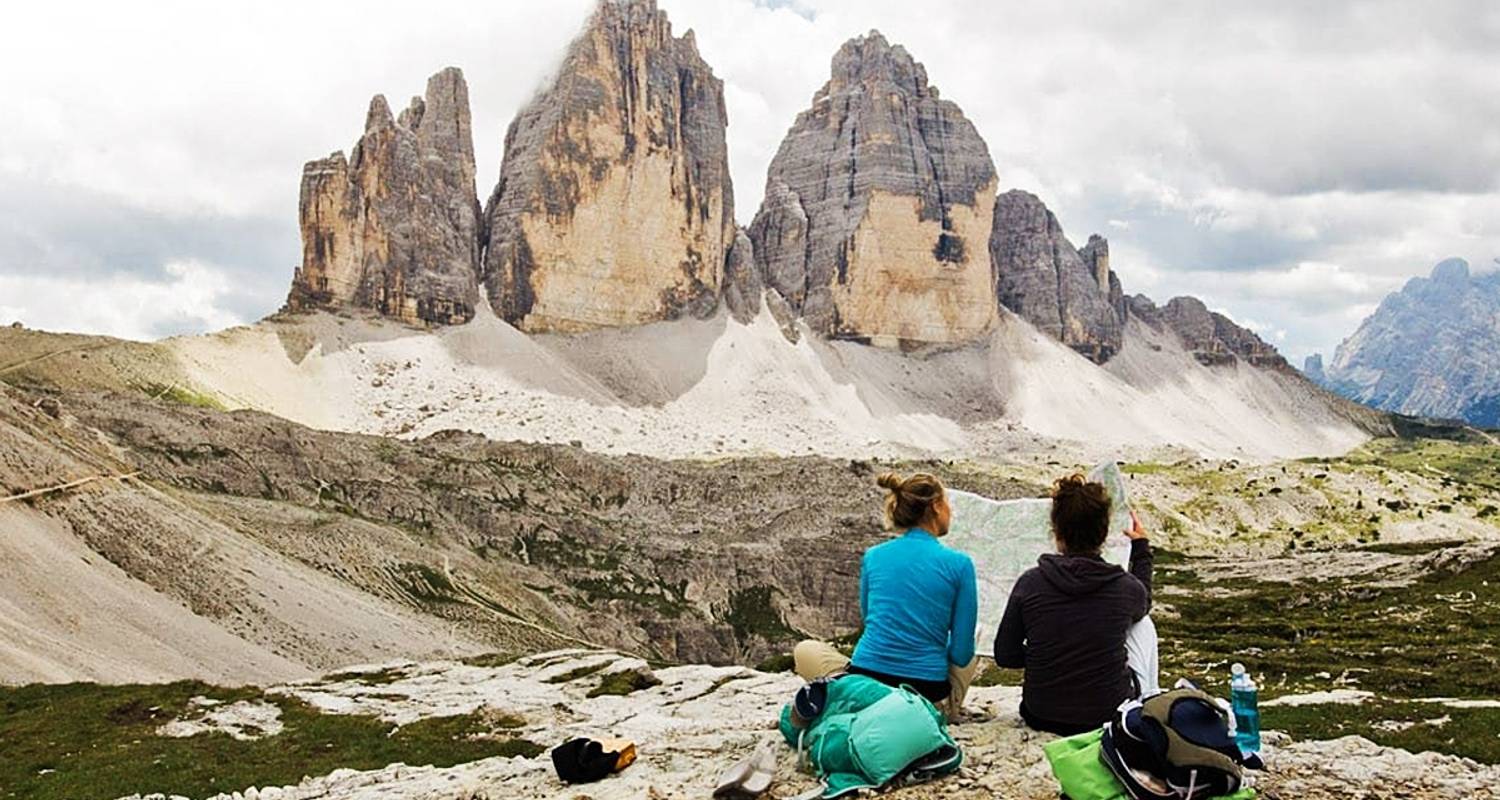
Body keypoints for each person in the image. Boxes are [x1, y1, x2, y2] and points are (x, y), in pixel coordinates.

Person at [793, 472, 980, 718]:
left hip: (865, 684)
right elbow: (961, 654)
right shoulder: (959, 564)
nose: (950, 512)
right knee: (973, 640)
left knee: (806, 649)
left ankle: (845, 689)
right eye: (947, 504)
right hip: (925, 699)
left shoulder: (873, 555)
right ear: (936, 506)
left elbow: (869, 617)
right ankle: (939, 709)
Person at [993, 473, 1157, 735]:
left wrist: (1047, 655)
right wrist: (1141, 549)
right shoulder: (1125, 588)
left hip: (1041, 714)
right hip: (1107, 714)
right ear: (1103, 532)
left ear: (1057, 532)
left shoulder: (1030, 582)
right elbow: (1144, 600)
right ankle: (1148, 704)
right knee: (1143, 623)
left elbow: (1005, 655)